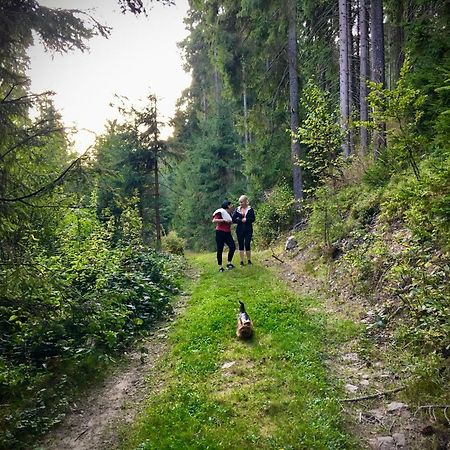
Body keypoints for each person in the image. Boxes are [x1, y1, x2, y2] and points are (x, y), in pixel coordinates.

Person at [212, 200, 236, 272]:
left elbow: (231, 221)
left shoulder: (229, 214)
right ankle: (220, 267)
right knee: (220, 249)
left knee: (232, 247)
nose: (232, 206)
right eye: (231, 205)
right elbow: (214, 220)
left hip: (227, 232)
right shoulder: (220, 212)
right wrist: (223, 220)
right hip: (220, 232)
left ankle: (229, 263)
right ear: (227, 206)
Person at [232, 194, 256, 266]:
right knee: (241, 244)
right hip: (240, 229)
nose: (240, 203)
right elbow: (233, 219)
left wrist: (247, 220)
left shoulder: (250, 209)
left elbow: (253, 219)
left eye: (242, 202)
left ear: (246, 202)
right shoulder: (237, 209)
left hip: (248, 229)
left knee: (247, 244)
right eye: (240, 202)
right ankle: (241, 261)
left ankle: (249, 260)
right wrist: (240, 220)